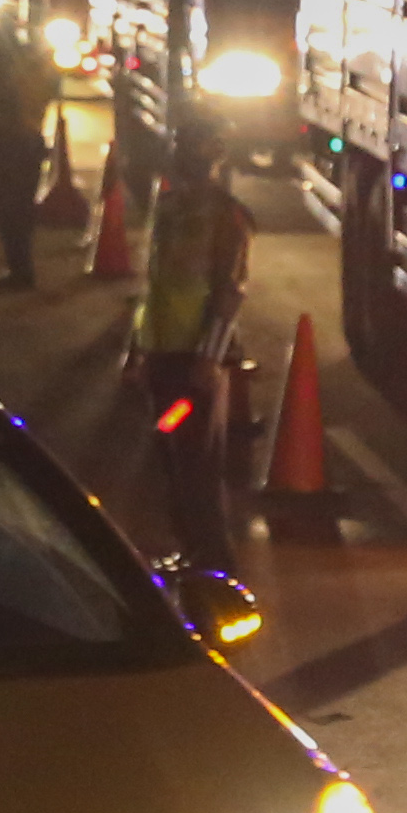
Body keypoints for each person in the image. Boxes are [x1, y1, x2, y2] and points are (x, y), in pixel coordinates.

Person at [126, 109, 254, 565]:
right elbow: (153, 284)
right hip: (161, 353)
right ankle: (189, 553)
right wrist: (136, 350)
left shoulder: (227, 215)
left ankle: (216, 566)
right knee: (170, 464)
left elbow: (230, 289)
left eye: (195, 145)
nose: (184, 155)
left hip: (194, 362)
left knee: (198, 469)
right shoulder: (170, 205)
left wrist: (209, 356)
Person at [0, 21, 51, 288]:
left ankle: (20, 273)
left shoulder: (4, 63)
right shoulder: (26, 59)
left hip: (12, 147)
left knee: (9, 211)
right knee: (20, 210)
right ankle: (22, 270)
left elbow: (4, 111)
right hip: (29, 144)